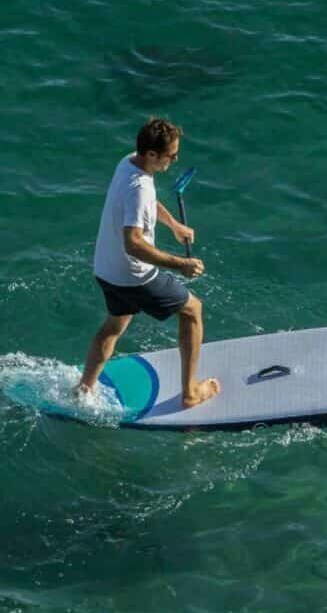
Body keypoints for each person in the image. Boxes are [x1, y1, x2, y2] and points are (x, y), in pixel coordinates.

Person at [74, 117, 220, 408]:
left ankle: (83, 390)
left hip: (106, 270)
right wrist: (181, 264)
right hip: (133, 275)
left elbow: (147, 203)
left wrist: (173, 225)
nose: (176, 159)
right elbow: (134, 243)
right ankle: (190, 392)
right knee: (193, 310)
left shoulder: (128, 162)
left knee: (115, 324)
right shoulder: (139, 187)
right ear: (152, 154)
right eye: (172, 154)